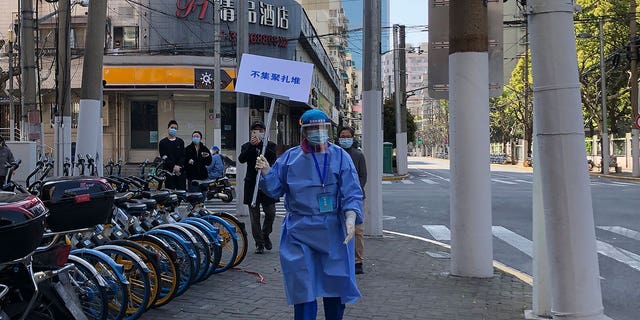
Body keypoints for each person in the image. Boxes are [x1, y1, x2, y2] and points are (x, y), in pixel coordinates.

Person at [255, 109, 363, 320]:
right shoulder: (290, 158)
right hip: (299, 230)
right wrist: (267, 173)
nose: (318, 133)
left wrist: (351, 216)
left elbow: (351, 191)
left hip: (333, 229)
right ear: (304, 131)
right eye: (313, 129)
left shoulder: (340, 157)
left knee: (335, 284)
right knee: (303, 287)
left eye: (322, 129)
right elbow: (275, 190)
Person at [238, 120, 278, 254]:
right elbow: (241, 159)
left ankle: (265, 234)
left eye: (261, 130)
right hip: (251, 184)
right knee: (254, 217)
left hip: (266, 184)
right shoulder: (246, 146)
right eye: (255, 131)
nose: (258, 133)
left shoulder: (270, 145)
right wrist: (251, 145)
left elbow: (273, 158)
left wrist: (262, 144)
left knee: (271, 212)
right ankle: (259, 243)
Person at [337, 126, 367, 275]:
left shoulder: (358, 155)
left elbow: (363, 176)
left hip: (355, 198)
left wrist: (353, 191)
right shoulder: (335, 154)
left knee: (357, 231)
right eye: (342, 136)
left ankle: (358, 261)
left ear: (352, 138)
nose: (345, 138)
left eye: (348, 136)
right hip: (337, 198)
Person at [158, 120, 186, 190]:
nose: (173, 129)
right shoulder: (162, 143)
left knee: (181, 193)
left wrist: (178, 166)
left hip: (180, 172)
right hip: (168, 172)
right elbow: (164, 157)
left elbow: (183, 156)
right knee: (170, 193)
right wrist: (173, 166)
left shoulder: (180, 142)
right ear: (168, 128)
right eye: (172, 127)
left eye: (175, 128)